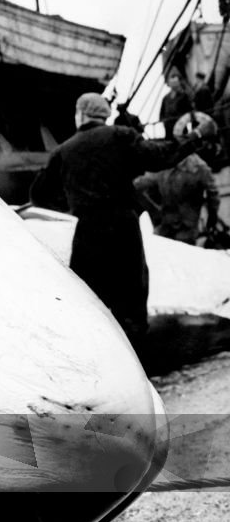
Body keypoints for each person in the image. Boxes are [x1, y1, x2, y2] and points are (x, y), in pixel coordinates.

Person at [29, 93, 216, 354]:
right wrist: (196, 136)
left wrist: (74, 197)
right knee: (131, 304)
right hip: (123, 228)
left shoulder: (63, 151)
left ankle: (96, 365)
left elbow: (39, 195)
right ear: (104, 115)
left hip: (88, 232)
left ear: (80, 114)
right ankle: (137, 365)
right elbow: (163, 156)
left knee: (86, 302)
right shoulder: (120, 136)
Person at [135, 113, 221, 245]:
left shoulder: (163, 167)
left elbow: (138, 186)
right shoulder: (200, 167)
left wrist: (155, 214)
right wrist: (212, 219)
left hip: (169, 228)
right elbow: (213, 195)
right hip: (184, 227)